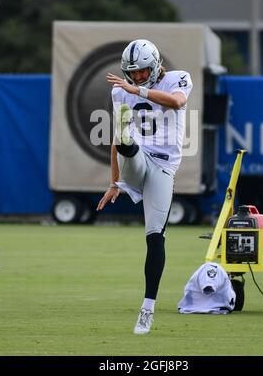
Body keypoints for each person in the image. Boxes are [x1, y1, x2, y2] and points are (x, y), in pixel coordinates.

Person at [97, 39, 193, 334]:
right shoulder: (120, 92)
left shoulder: (178, 78)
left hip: (164, 167)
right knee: (125, 138)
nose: (137, 77)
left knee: (155, 237)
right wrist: (115, 181)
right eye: (133, 73)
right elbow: (116, 138)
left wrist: (137, 90)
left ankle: (147, 310)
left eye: (142, 71)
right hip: (137, 159)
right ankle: (130, 158)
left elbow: (177, 102)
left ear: (154, 64)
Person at [178, 262, 245, 314]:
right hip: (219, 307)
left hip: (189, 307)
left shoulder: (213, 269)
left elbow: (208, 286)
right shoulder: (216, 269)